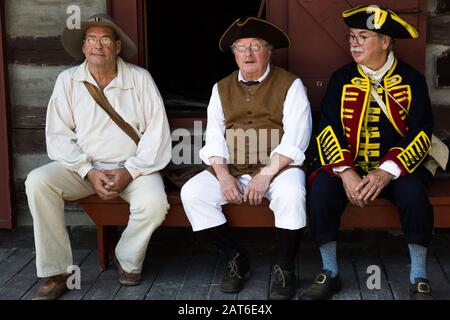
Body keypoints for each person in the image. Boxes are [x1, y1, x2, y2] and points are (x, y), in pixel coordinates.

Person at [25, 14, 171, 300]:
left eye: (105, 39)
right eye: (91, 39)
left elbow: (157, 134)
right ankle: (58, 271)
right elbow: (58, 135)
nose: (97, 45)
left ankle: (126, 258)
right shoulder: (68, 80)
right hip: (84, 170)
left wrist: (130, 171)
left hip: (133, 170)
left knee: (155, 203)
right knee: (38, 182)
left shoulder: (139, 79)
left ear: (117, 47)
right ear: (83, 48)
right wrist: (87, 170)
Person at [301, 5, 434, 300]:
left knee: (414, 196)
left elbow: (422, 133)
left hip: (395, 169)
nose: (354, 43)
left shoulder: (412, 80)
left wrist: (386, 171)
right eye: (351, 37)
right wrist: (346, 172)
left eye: (363, 36)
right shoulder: (341, 78)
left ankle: (419, 275)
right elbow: (327, 128)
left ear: (385, 42)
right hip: (349, 167)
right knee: (321, 191)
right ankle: (330, 271)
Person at [181, 16, 312, 300]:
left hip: (279, 167)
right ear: (234, 54)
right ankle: (236, 258)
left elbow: (296, 138)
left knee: (292, 194)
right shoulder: (221, 88)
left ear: (269, 51)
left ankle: (286, 266)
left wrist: (265, 175)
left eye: (255, 46)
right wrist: (224, 174)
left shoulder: (291, 84)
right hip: (234, 167)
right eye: (241, 47)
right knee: (192, 193)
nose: (248, 53)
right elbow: (214, 136)